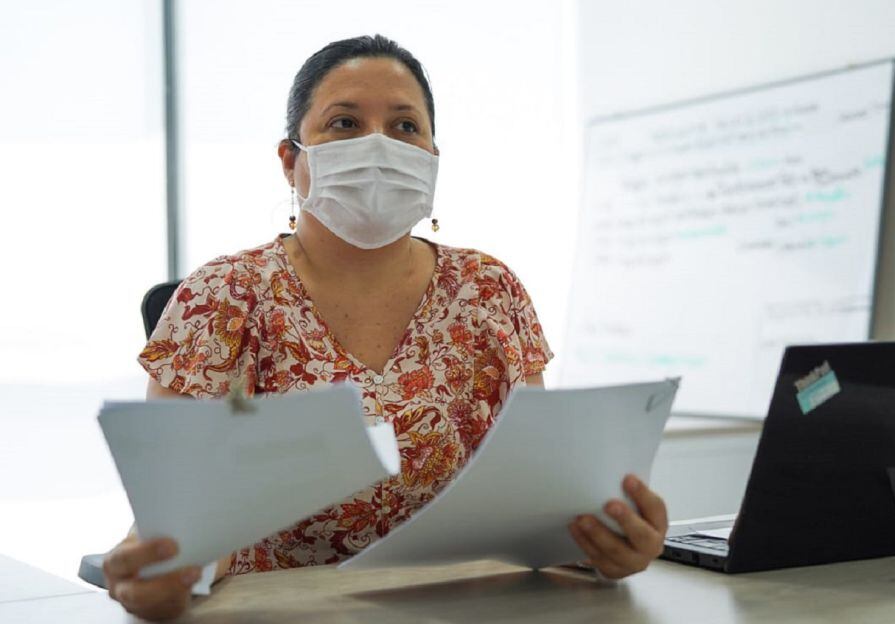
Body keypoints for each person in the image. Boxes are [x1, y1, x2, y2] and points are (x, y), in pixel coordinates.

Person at [103, 34, 669, 621]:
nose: (377, 146)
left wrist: (603, 541)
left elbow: (538, 503)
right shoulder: (221, 297)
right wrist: (163, 570)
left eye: (404, 127)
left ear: (432, 156)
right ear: (290, 159)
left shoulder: (489, 288)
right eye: (344, 123)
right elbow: (172, 523)